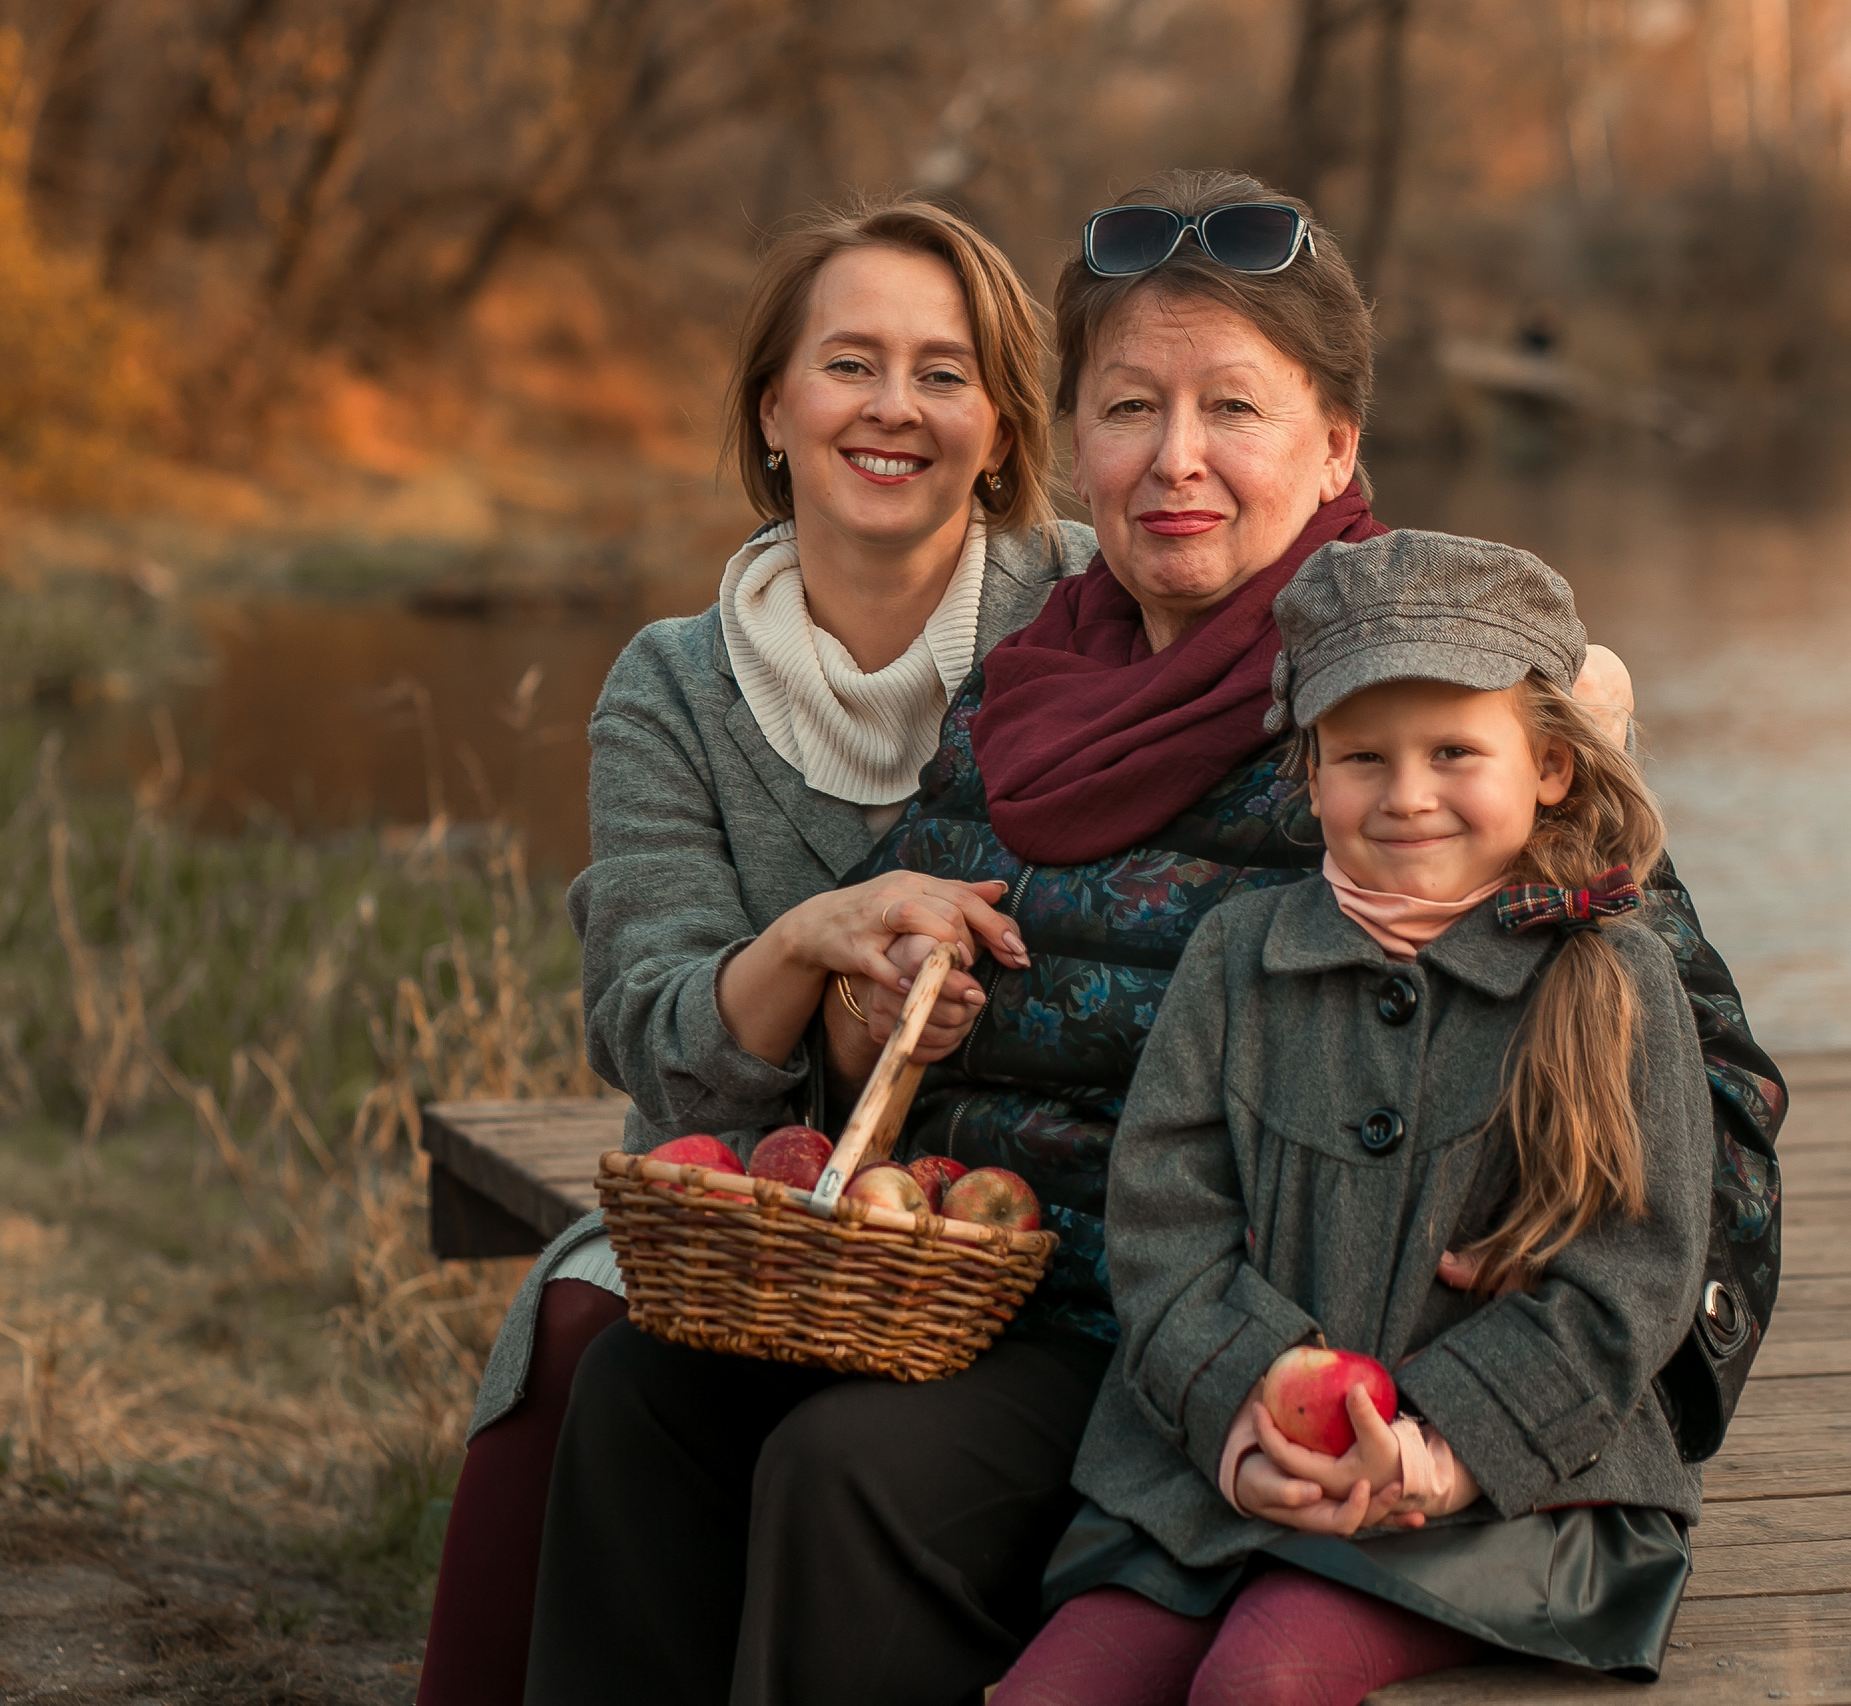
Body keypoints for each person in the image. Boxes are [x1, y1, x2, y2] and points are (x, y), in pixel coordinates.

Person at [524, 170, 1784, 1706]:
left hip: (1225, 1338)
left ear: (1334, 447)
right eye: (1128, 408)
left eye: (1233, 409)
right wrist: (871, 1015)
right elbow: (898, 997)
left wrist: (1491, 1398)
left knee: (855, 1470)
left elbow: (1705, 1093)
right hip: (966, 1276)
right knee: (645, 1387)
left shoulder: (1431, 716)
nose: (1174, 460)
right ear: (1075, 447)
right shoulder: (1028, 682)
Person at [416, 197, 1089, 1706]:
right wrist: (806, 941)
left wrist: (1558, 669)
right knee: (592, 1335)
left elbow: (1322, 611)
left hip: (1005, 1212)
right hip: (747, 1218)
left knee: (820, 1443)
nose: (894, 409)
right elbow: (653, 1031)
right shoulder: (672, 683)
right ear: (774, 408)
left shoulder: (1088, 612)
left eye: (943, 371)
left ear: (999, 426)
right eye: (851, 364)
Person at [996, 531, 1711, 1706]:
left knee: (1261, 1679)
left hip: (1516, 1484)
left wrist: (1441, 1444)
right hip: (1224, 1463)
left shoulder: (1610, 974)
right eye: (1362, 756)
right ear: (1310, 771)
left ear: (1549, 766)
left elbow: (1630, 1278)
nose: (1408, 792)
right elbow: (1162, 1217)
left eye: (1453, 750)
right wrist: (1240, 1414)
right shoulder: (1238, 954)